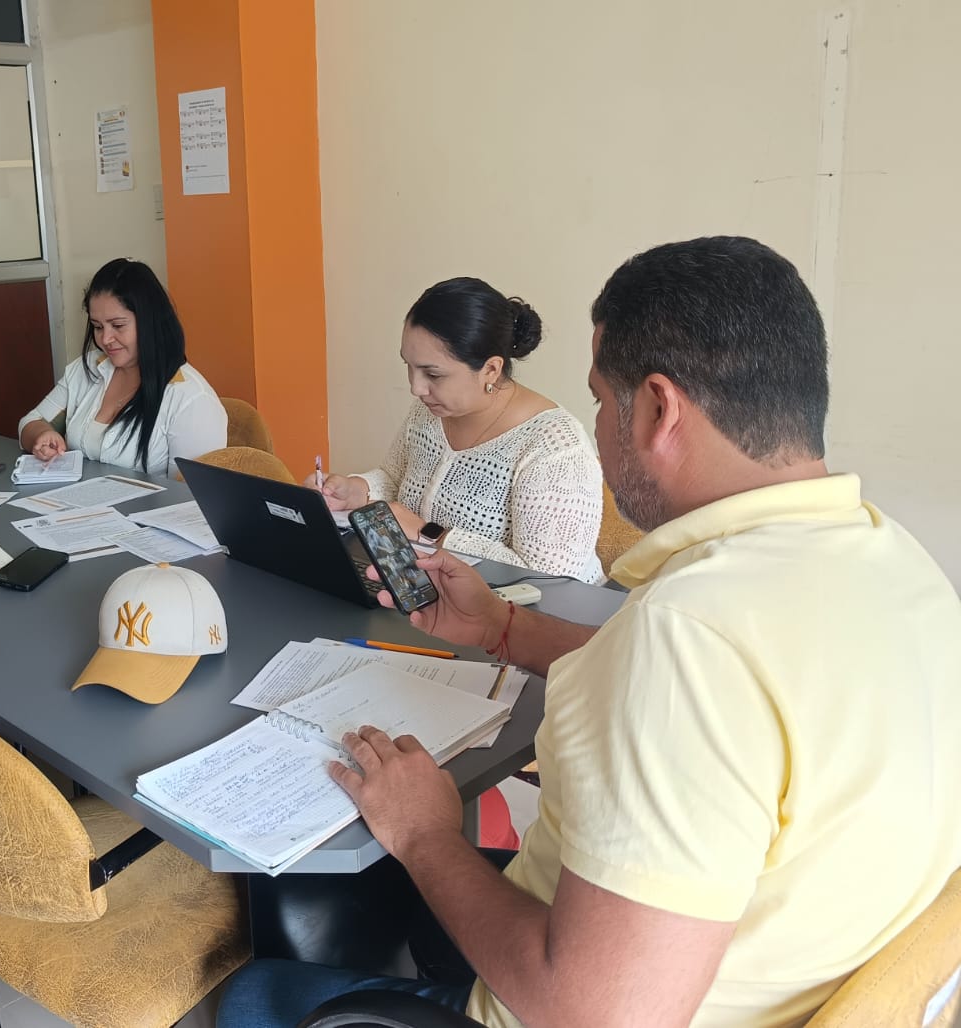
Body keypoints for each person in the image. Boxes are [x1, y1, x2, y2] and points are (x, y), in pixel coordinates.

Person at [219, 237, 961, 1027]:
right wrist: (505, 628)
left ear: (659, 410)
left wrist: (428, 835)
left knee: (254, 995)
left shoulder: (689, 638)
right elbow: (723, 695)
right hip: (747, 955)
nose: (598, 427)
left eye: (603, 401)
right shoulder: (897, 563)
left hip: (581, 998)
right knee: (379, 896)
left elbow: (594, 1014)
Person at [315, 278, 604, 582]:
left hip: (528, 607)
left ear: (491, 369)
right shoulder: (430, 411)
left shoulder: (555, 448)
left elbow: (552, 579)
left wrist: (427, 534)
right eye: (409, 366)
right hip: (431, 588)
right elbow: (395, 477)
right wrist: (357, 490)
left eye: (433, 374)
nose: (416, 388)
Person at [18, 258, 226, 479]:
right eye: (98, 327)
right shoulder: (87, 368)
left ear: (149, 321)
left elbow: (192, 494)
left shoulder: (191, 398)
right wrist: (43, 435)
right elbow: (30, 422)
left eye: (117, 325)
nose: (105, 339)